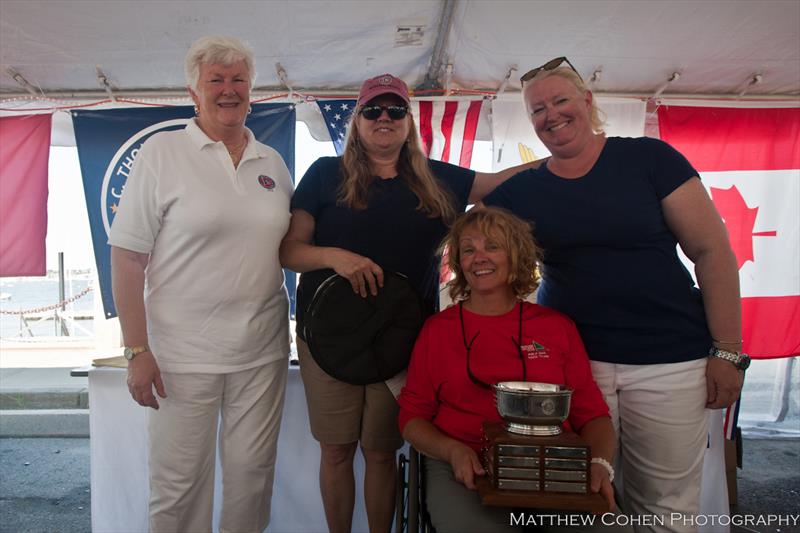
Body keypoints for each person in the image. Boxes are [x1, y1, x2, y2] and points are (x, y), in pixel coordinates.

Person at [482, 58, 745, 533]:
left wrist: (728, 350)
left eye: (561, 100)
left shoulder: (650, 159)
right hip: (574, 367)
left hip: (669, 362)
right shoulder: (522, 190)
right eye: (538, 109)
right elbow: (467, 228)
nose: (551, 115)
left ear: (587, 102)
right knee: (578, 499)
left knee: (665, 508)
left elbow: (712, 251)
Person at [279, 74, 538, 533]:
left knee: (381, 453)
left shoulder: (438, 180)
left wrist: (562, 156)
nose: (384, 118)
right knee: (335, 450)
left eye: (395, 110)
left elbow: (500, 185)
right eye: (373, 110)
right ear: (357, 120)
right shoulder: (324, 174)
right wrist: (334, 257)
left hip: (402, 342)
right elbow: (290, 251)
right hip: (329, 340)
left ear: (408, 122)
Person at [109, 35, 293, 532]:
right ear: (194, 91)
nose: (228, 90)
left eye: (238, 80)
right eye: (216, 80)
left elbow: (286, 249)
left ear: (252, 90)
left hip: (261, 352)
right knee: (178, 487)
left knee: (252, 479)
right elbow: (127, 258)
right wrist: (135, 350)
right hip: (180, 357)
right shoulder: (161, 153)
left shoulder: (272, 163)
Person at [398, 207, 617, 533]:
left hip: (549, 465)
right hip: (465, 465)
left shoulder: (556, 327)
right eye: (468, 250)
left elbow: (592, 414)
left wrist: (599, 464)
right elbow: (412, 417)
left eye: (492, 246)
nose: (479, 257)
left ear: (516, 256)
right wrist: (452, 450)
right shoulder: (437, 331)